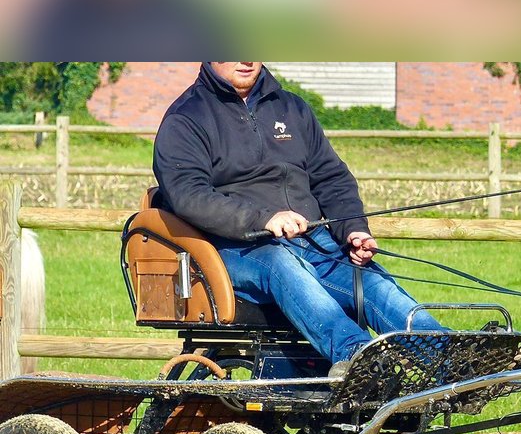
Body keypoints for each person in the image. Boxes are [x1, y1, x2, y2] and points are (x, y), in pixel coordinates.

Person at [152, 62, 442, 376]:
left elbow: (332, 179)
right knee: (282, 264)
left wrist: (353, 230)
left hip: (312, 242)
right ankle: (358, 360)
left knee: (369, 282)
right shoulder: (186, 118)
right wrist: (264, 219)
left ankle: (449, 358)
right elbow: (188, 195)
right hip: (232, 248)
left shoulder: (292, 108)